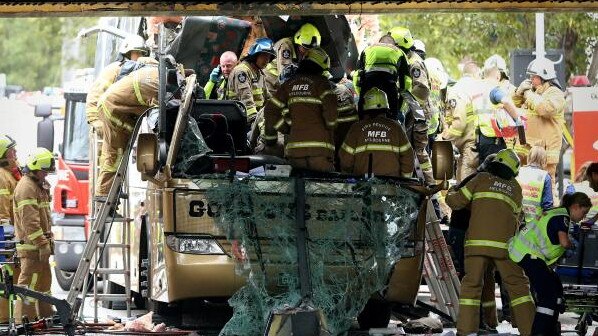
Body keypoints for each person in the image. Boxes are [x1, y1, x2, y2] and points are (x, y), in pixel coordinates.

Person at [446, 149, 535, 336]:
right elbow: (518, 219)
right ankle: (530, 330)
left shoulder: (481, 179)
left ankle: (466, 331)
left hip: (476, 245)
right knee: (519, 287)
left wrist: (451, 190)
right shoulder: (515, 187)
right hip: (505, 248)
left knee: (471, 287)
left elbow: (456, 202)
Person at [509, 192, 591, 335]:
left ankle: (551, 327)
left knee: (555, 285)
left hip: (527, 253)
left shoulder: (557, 213)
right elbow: (564, 242)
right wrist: (573, 245)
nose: (583, 217)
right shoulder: (563, 216)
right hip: (527, 253)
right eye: (583, 213)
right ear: (576, 207)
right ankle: (541, 331)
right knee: (548, 294)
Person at [263, 47, 337, 172]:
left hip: (294, 152)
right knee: (323, 188)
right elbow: (331, 120)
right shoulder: (323, 84)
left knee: (297, 189)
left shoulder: (289, 84)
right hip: (319, 153)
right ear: (320, 67)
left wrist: (286, 128)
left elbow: (270, 110)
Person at [96, 59, 159, 197]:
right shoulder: (156, 83)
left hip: (111, 109)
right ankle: (104, 195)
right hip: (113, 112)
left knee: (113, 155)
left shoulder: (151, 74)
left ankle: (109, 193)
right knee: (116, 156)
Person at [13, 148, 55, 323]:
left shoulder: (37, 185)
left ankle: (45, 317)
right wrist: (42, 243)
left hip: (40, 247)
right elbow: (30, 222)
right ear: (35, 168)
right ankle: (23, 321)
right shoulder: (26, 188)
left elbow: (44, 217)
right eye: (44, 171)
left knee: (44, 285)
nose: (45, 175)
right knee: (28, 286)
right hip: (32, 249)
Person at [513, 57, 566, 191]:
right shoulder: (533, 92)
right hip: (529, 150)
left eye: (534, 77)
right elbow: (513, 105)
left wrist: (528, 94)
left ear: (544, 77)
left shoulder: (556, 93)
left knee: (546, 188)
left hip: (545, 153)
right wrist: (519, 92)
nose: (531, 80)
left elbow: (545, 109)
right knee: (526, 189)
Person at [390, 27, 435, 185]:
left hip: (418, 114)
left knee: (419, 152)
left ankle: (429, 189)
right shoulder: (405, 59)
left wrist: (403, 106)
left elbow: (422, 89)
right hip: (414, 112)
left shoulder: (413, 62)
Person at [339, 87, 414, 177]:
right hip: (392, 187)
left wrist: (349, 178)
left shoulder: (357, 128)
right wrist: (404, 180)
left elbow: (345, 160)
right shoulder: (396, 127)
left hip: (362, 187)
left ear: (365, 108)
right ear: (386, 108)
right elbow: (408, 157)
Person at [86, 35, 149, 137]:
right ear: (126, 53)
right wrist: (95, 120)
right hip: (106, 125)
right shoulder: (114, 70)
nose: (140, 56)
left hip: (127, 126)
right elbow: (95, 94)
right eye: (137, 52)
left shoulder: (142, 73)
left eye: (142, 53)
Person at [354, 32, 409, 120]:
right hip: (389, 85)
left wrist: (361, 94)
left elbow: (356, 75)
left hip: (368, 83)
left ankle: (361, 124)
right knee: (393, 118)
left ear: (379, 42)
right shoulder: (400, 52)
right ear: (394, 45)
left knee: (361, 116)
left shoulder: (367, 49)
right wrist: (399, 106)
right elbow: (406, 81)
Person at [441, 63, 481, 182]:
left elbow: (458, 123)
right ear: (476, 73)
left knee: (465, 177)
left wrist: (445, 137)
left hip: (468, 140)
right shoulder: (475, 88)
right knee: (467, 176)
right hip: (473, 139)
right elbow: (460, 122)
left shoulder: (456, 90)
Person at [228, 37, 275, 126]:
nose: (267, 60)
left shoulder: (259, 73)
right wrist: (257, 123)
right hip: (241, 121)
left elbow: (268, 98)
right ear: (255, 55)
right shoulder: (242, 72)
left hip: (255, 119)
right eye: (264, 56)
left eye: (269, 57)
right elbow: (246, 100)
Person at [264, 23, 321, 95]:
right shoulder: (286, 46)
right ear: (298, 42)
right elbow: (285, 74)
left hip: (283, 84)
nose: (307, 52)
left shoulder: (306, 50)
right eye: (305, 48)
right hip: (271, 82)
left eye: (310, 49)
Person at [0, 135, 21, 324]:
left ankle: (10, 318)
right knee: (5, 279)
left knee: (11, 279)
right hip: (5, 237)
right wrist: (8, 238)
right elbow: (3, 211)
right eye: (12, 151)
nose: (15, 154)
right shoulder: (2, 177)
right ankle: (4, 319)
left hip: (11, 235)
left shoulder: (11, 174)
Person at [516, 146, 554, 225]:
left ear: (529, 157)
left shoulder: (519, 172)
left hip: (517, 220)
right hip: (535, 223)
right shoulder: (545, 177)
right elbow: (547, 205)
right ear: (544, 160)